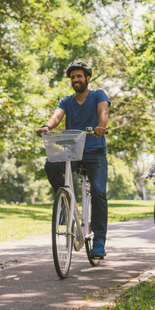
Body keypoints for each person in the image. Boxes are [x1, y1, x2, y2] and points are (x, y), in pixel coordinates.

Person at [35, 60, 111, 259]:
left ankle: (99, 240)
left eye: (79, 76)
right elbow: (57, 117)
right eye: (72, 77)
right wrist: (47, 126)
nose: (75, 79)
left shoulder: (98, 94)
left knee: (98, 192)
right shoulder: (66, 100)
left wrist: (101, 126)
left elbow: (103, 113)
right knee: (50, 165)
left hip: (95, 153)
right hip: (73, 152)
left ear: (88, 78)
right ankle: (66, 207)